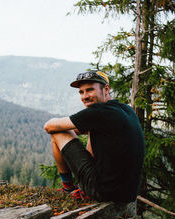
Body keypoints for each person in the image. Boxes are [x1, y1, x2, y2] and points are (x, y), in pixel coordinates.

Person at [44, 70, 145, 202]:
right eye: (81, 92)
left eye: (90, 90)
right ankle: (81, 189)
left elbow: (49, 126)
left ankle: (68, 188)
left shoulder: (98, 112)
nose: (85, 96)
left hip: (104, 192)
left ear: (106, 89)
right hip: (126, 194)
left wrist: (61, 125)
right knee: (92, 128)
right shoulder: (125, 109)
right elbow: (83, 128)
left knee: (58, 132)